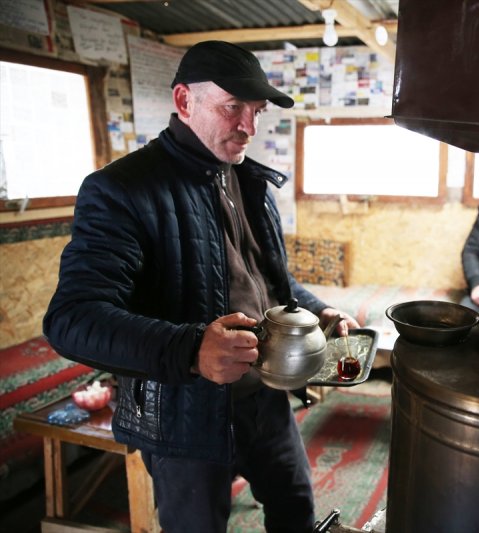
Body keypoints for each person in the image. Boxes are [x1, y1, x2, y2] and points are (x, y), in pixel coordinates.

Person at [43, 41, 359, 532]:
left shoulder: (246, 180)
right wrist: (193, 349)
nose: (249, 127)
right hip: (182, 416)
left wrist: (319, 312)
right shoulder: (121, 189)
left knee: (297, 512)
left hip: (263, 399)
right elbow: (72, 319)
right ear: (185, 101)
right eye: (233, 107)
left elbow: (266, 278)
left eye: (255, 111)